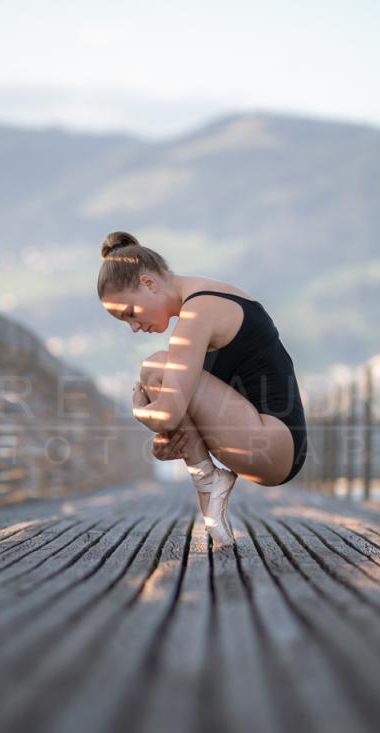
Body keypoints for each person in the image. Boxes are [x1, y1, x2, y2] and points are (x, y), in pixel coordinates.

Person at [97, 230, 308, 545]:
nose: (135, 327)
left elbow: (167, 413)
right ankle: (210, 481)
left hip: (275, 444)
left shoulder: (200, 311)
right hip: (269, 445)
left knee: (155, 368)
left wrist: (141, 410)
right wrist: (169, 439)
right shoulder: (202, 300)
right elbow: (181, 413)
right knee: (165, 377)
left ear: (148, 282)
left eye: (131, 313)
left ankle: (209, 482)